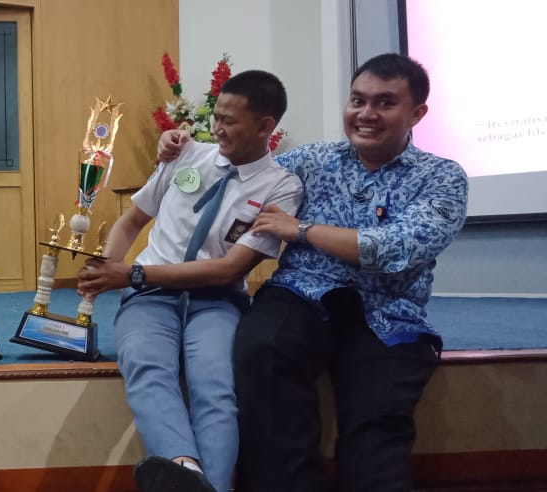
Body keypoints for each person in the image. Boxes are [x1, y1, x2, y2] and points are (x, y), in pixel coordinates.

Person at [159, 53, 469, 491]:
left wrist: (301, 230)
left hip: (387, 315)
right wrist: (180, 151)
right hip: (300, 295)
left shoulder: (442, 177)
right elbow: (241, 169)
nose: (366, 114)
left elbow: (393, 248)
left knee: (376, 433)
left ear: (416, 113)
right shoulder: (311, 159)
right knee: (261, 352)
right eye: (357, 100)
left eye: (384, 103)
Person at [78, 71, 304, 492]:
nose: (217, 128)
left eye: (230, 121)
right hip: (149, 298)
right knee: (147, 366)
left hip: (217, 301)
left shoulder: (281, 187)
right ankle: (189, 471)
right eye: (216, 117)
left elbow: (229, 269)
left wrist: (131, 273)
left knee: (215, 387)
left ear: (265, 126)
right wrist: (106, 268)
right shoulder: (186, 156)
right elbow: (131, 221)